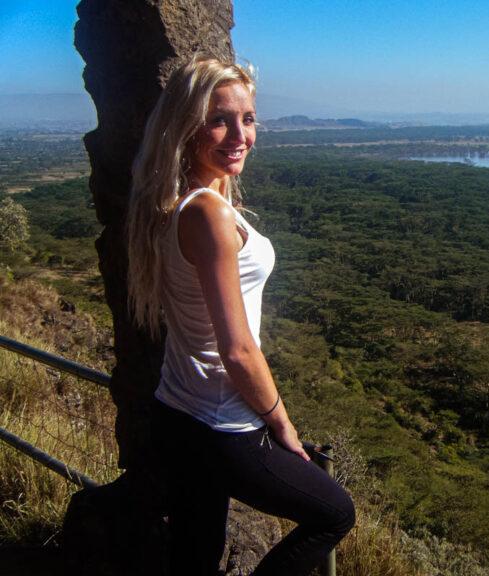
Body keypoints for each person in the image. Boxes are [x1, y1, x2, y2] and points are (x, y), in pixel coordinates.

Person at [126, 55, 355, 576]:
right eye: (219, 118)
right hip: (221, 422)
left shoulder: (176, 203)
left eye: (247, 118)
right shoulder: (206, 213)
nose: (239, 134)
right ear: (186, 126)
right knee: (334, 514)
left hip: (177, 409)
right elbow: (238, 349)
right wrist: (281, 422)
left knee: (194, 554)